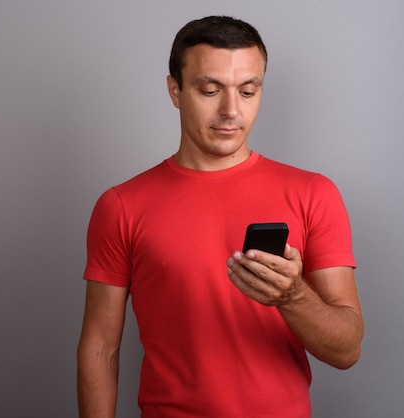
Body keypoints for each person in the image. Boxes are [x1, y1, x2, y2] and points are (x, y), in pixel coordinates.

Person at [76, 16, 364, 418]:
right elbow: (100, 347)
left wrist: (292, 296)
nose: (231, 110)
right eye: (210, 90)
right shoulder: (122, 205)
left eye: (248, 91)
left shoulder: (313, 194)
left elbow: (347, 350)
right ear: (175, 90)